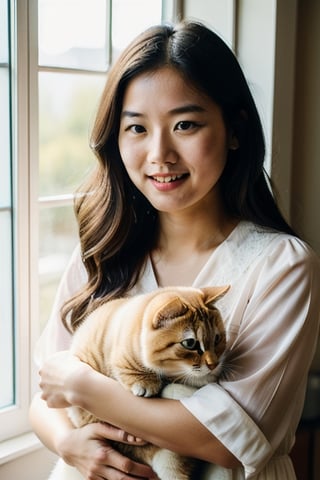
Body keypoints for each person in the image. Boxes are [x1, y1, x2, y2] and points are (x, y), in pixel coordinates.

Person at [30, 20, 320, 480]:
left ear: (234, 129)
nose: (159, 154)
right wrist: (69, 443)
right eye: (137, 128)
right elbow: (46, 391)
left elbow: (225, 439)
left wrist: (84, 386)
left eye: (185, 124)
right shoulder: (105, 249)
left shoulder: (281, 265)